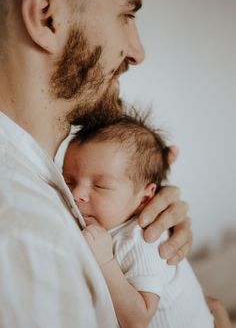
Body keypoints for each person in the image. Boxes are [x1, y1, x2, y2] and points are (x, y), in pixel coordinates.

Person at [0, 0, 193, 327]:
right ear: (47, 17)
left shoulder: (41, 183)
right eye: (127, 15)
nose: (138, 51)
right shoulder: (26, 238)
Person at [62, 110, 215, 328]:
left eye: (100, 185)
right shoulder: (103, 220)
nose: (77, 194)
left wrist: (105, 261)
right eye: (69, 180)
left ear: (144, 198)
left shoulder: (143, 238)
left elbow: (138, 319)